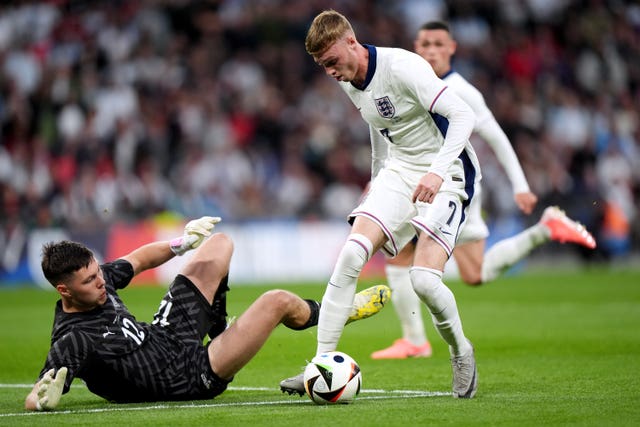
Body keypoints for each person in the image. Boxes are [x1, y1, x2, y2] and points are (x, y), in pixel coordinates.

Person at [281, 10, 482, 399]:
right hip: (400, 170)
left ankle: (461, 351)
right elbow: (379, 127)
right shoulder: (348, 79)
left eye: (332, 62)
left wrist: (437, 173)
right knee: (351, 254)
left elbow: (463, 115)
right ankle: (320, 366)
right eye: (323, 67)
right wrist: (375, 181)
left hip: (449, 171)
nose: (330, 73)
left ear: (351, 42)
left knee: (423, 280)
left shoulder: (404, 66)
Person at [370, 21, 597, 360]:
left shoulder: (462, 90)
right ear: (415, 48)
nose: (430, 50)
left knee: (468, 272)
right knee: (404, 253)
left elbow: (496, 137)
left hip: (457, 186)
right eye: (424, 44)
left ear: (452, 49)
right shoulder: (409, 82)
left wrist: (520, 186)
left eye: (437, 44)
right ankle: (414, 339)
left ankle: (542, 230)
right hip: (418, 182)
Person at [24, 216, 389, 411]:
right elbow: (34, 395)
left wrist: (180, 243)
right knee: (275, 300)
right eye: (90, 280)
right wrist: (42, 401)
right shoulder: (72, 338)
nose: (101, 282)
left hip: (168, 335)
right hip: (187, 375)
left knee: (219, 245)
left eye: (97, 272)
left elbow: (138, 260)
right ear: (64, 290)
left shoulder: (99, 281)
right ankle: (337, 313)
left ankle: (220, 329)